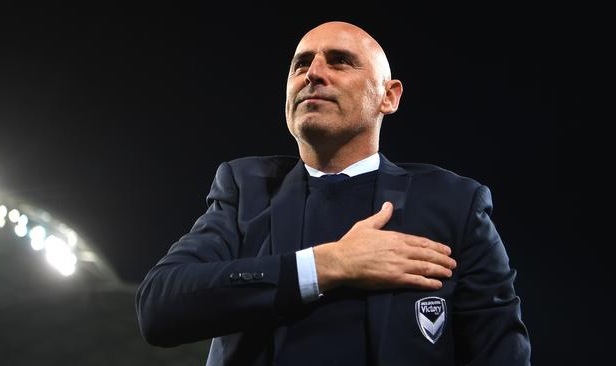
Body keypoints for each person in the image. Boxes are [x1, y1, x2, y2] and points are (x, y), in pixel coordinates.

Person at [136, 21, 531, 365]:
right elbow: (159, 307)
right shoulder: (246, 188)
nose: (313, 74)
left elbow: (500, 352)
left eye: (339, 60)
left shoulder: (454, 203)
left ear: (388, 96)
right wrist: (331, 264)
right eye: (301, 64)